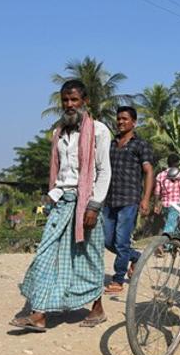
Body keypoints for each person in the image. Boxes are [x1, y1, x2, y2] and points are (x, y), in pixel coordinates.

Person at [10, 80, 112, 331]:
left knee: (87, 258)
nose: (69, 104)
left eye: (74, 100)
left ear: (84, 101)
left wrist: (94, 206)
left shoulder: (99, 131)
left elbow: (104, 171)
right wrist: (52, 195)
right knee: (47, 254)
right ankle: (39, 314)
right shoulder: (59, 133)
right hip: (61, 202)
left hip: (86, 203)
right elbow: (59, 171)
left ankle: (97, 308)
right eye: (65, 100)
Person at [103, 105, 155, 294]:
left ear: (134, 122)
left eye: (125, 119)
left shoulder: (140, 145)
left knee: (122, 241)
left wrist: (146, 199)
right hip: (109, 199)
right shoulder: (111, 144)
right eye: (118, 119)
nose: (120, 122)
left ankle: (118, 279)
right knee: (107, 240)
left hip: (130, 199)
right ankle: (136, 257)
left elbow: (149, 171)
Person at [154, 154, 180, 235]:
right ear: (175, 163)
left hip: (164, 205)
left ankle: (170, 245)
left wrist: (156, 204)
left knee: (171, 226)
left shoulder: (160, 175)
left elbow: (157, 192)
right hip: (175, 205)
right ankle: (165, 246)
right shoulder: (178, 175)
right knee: (170, 227)